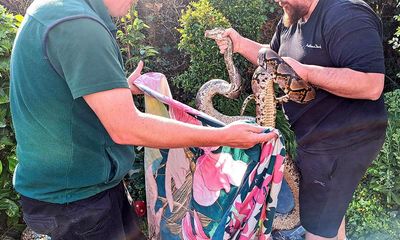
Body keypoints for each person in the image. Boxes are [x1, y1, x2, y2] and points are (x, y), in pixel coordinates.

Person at [9, 0, 277, 239]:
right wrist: (223, 136)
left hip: (77, 191)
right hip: (78, 203)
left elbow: (59, 102)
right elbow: (128, 128)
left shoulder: (55, 9)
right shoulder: (79, 26)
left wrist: (117, 91)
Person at [215, 0, 387, 239]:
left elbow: (371, 84)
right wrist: (240, 44)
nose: (278, 1)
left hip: (342, 141)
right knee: (329, 218)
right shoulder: (290, 19)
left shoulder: (345, 13)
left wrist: (304, 72)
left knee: (316, 228)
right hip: (314, 137)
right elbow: (273, 60)